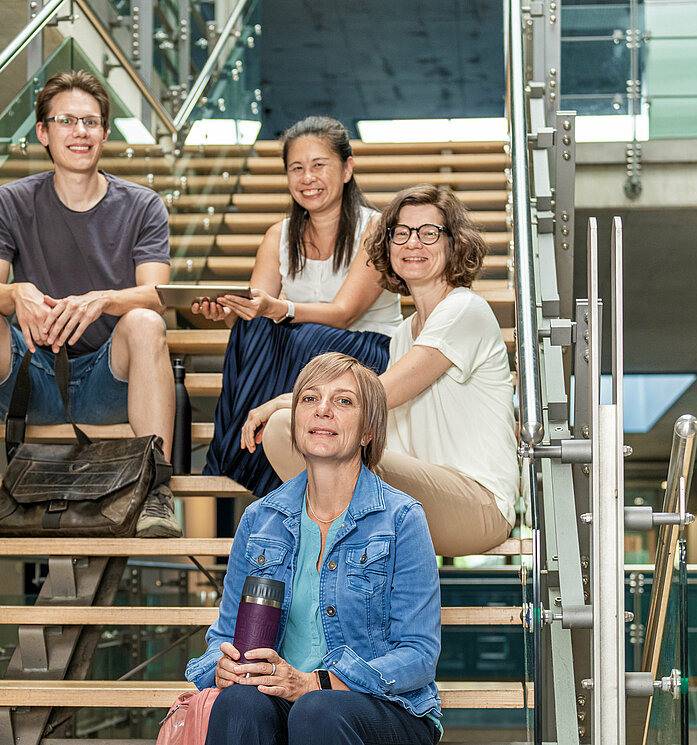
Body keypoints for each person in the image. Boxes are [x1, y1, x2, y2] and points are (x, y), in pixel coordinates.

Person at [0, 69, 180, 537]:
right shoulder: (10, 202)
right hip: (32, 376)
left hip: (106, 381)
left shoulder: (143, 205)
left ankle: (156, 491)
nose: (80, 132)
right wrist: (16, 292)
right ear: (43, 132)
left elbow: (156, 296)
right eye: (67, 121)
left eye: (91, 122)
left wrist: (104, 300)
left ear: (104, 132)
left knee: (143, 322)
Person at [245, 184, 519, 557]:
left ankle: (325, 546)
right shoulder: (403, 334)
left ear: (454, 244)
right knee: (294, 435)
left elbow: (377, 395)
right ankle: (335, 548)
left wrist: (280, 402)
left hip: (478, 506)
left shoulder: (464, 309)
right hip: (415, 500)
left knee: (286, 425)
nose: (413, 243)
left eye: (429, 233)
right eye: (401, 233)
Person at [184, 353, 442, 745]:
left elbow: (418, 654)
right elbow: (222, 635)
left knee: (317, 708)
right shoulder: (260, 519)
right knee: (238, 703)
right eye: (309, 399)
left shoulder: (402, 518)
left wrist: (316, 682)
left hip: (381, 707)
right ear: (296, 422)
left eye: (343, 401)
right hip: (281, 699)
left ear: (368, 430)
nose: (322, 410)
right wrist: (220, 669)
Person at [193, 116, 401, 499]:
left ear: (347, 169)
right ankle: (248, 453)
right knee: (253, 329)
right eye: (297, 168)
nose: (308, 177)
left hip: (366, 351)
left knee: (302, 336)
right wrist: (228, 313)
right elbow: (259, 313)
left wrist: (280, 309)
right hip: (305, 351)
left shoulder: (375, 229)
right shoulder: (278, 236)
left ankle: (244, 460)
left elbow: (343, 314)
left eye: (319, 165)